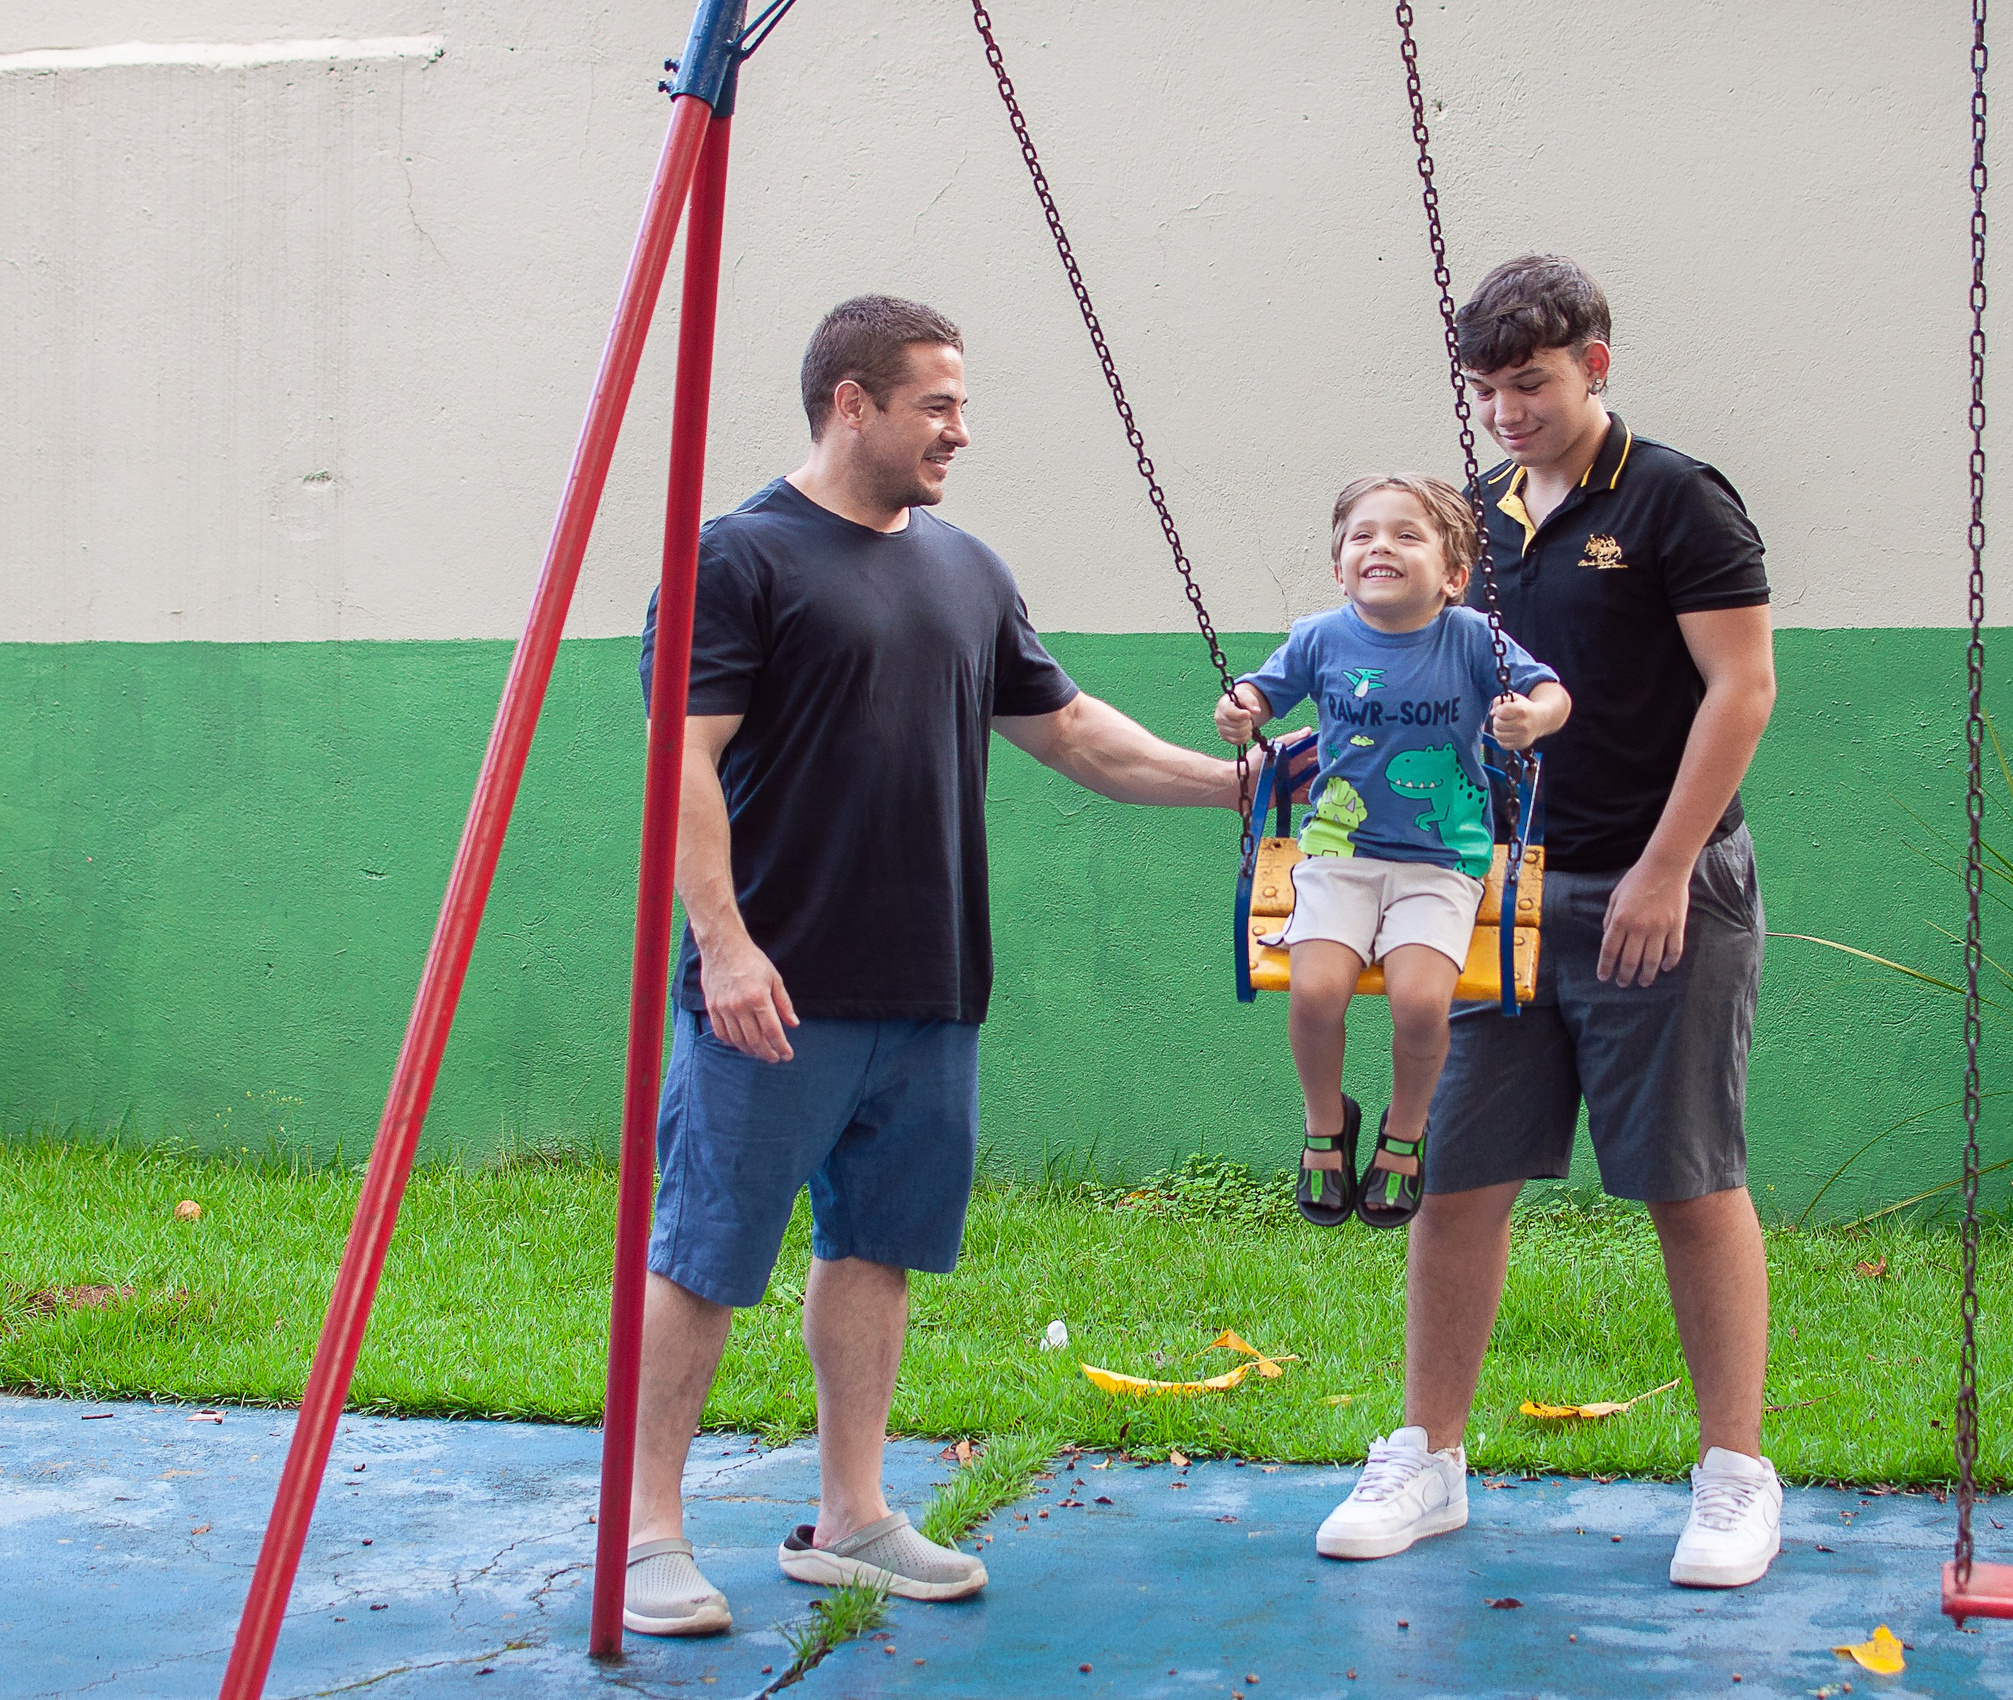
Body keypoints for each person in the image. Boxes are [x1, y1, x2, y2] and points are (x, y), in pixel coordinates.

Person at [622, 295, 1259, 1636]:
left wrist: (1245, 787)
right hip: (773, 989)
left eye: (962, 405)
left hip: (929, 990)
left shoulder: (965, 570)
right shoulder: (735, 559)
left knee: (879, 1250)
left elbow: (1079, 735)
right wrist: (722, 945)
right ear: (850, 402)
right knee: (702, 1257)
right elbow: (681, 759)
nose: (960, 431)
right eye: (937, 405)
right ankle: (647, 1534)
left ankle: (851, 1517)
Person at [1312, 256, 1783, 1587]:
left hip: (1656, 891)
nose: (1509, 411)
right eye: (1488, 390)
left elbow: (1740, 691)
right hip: (1492, 899)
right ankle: (1429, 1458)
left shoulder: (1680, 500)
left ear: (1597, 363)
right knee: (1454, 1175)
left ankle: (1735, 1475)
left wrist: (1661, 870)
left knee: (1686, 1180)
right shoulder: (1476, 518)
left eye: (1533, 383)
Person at [1213, 474, 1568, 1229]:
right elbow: (1263, 690)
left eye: (1408, 535)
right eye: (1363, 535)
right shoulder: (1322, 637)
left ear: (1455, 574)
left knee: (1418, 1001)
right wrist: (1240, 706)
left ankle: (1406, 1131)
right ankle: (1324, 1124)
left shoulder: (1471, 636)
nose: (1382, 546)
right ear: (1339, 562)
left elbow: (1552, 692)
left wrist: (1530, 719)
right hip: (1340, 850)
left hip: (1442, 859)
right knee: (1313, 993)